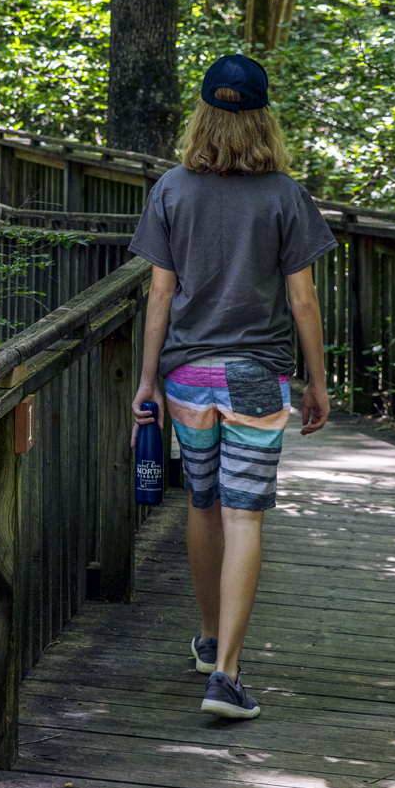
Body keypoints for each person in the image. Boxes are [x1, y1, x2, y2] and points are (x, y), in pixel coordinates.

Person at [129, 54, 335, 720]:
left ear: (203, 115)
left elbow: (159, 294)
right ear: (263, 116)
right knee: (244, 514)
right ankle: (226, 673)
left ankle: (211, 635)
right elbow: (303, 301)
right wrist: (318, 382)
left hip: (186, 374)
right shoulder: (285, 194)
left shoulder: (170, 189)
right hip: (254, 375)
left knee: (203, 503)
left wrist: (147, 381)